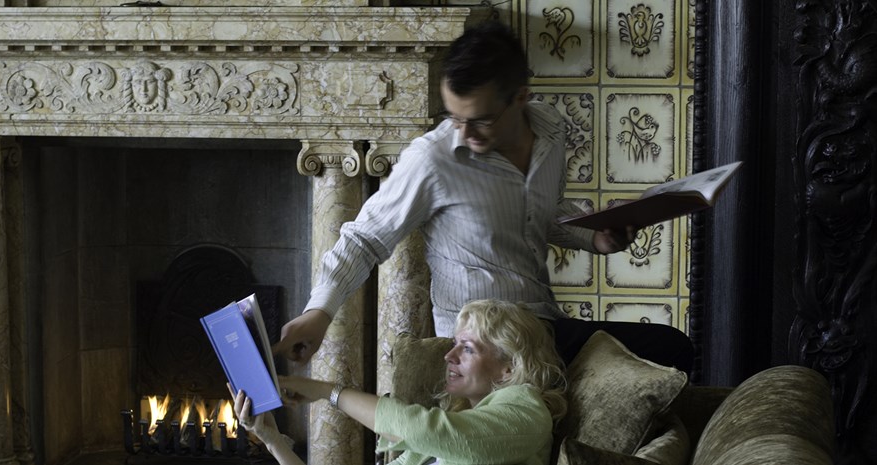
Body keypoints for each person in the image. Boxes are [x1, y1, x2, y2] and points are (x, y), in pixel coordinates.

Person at [276, 20, 693, 373]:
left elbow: (539, 216)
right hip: (482, 347)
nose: (464, 133)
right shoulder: (433, 159)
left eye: (479, 120)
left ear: (521, 98)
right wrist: (319, 312)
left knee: (672, 348)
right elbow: (364, 238)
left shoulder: (551, 131)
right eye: (454, 117)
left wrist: (594, 236)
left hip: (542, 325)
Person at [233, 299, 567, 465]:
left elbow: (428, 430)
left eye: (467, 348)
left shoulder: (527, 409)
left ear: (509, 368)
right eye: (454, 344)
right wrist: (272, 439)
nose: (449, 356)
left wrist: (325, 390)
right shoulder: (456, 426)